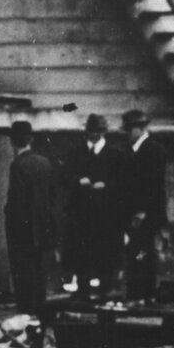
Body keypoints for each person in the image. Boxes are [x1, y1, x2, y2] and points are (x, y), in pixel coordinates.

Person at [63, 113, 127, 299]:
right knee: (81, 255)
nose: (94, 135)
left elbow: (123, 183)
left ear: (104, 132)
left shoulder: (115, 154)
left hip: (105, 216)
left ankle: (105, 291)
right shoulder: (76, 153)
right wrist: (78, 180)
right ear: (87, 132)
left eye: (98, 131)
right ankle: (82, 291)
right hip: (81, 215)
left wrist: (106, 186)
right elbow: (64, 178)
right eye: (91, 131)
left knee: (104, 255)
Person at [3, 120, 58, 327]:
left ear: (12, 142)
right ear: (31, 140)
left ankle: (26, 313)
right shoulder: (45, 163)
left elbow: (17, 202)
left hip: (22, 229)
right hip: (43, 229)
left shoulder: (18, 165)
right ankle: (39, 312)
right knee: (38, 272)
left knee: (22, 272)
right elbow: (52, 196)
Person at [118, 109, 167, 299]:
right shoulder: (131, 151)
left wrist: (142, 211)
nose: (127, 135)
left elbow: (153, 186)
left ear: (139, 129)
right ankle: (137, 293)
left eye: (129, 131)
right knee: (135, 253)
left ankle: (144, 293)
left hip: (145, 215)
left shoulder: (153, 151)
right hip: (132, 214)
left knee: (143, 253)